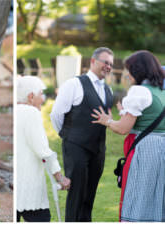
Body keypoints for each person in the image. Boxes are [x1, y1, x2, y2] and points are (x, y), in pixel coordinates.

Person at [91, 50, 165, 222]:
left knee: (140, 195)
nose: (127, 74)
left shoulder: (139, 91)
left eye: (129, 69)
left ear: (137, 70)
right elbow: (150, 117)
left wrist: (107, 121)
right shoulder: (160, 90)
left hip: (146, 151)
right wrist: (125, 111)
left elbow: (123, 128)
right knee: (157, 196)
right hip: (161, 149)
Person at [50, 47, 114, 222]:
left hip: (98, 150)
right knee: (76, 194)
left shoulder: (108, 90)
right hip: (76, 147)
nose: (108, 66)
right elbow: (56, 114)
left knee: (89, 195)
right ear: (93, 61)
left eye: (111, 64)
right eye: (105, 62)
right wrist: (68, 136)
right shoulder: (74, 84)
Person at [17, 75, 71, 222]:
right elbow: (43, 151)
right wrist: (59, 177)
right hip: (28, 186)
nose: (43, 98)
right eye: (41, 94)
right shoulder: (31, 113)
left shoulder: (15, 111)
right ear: (30, 96)